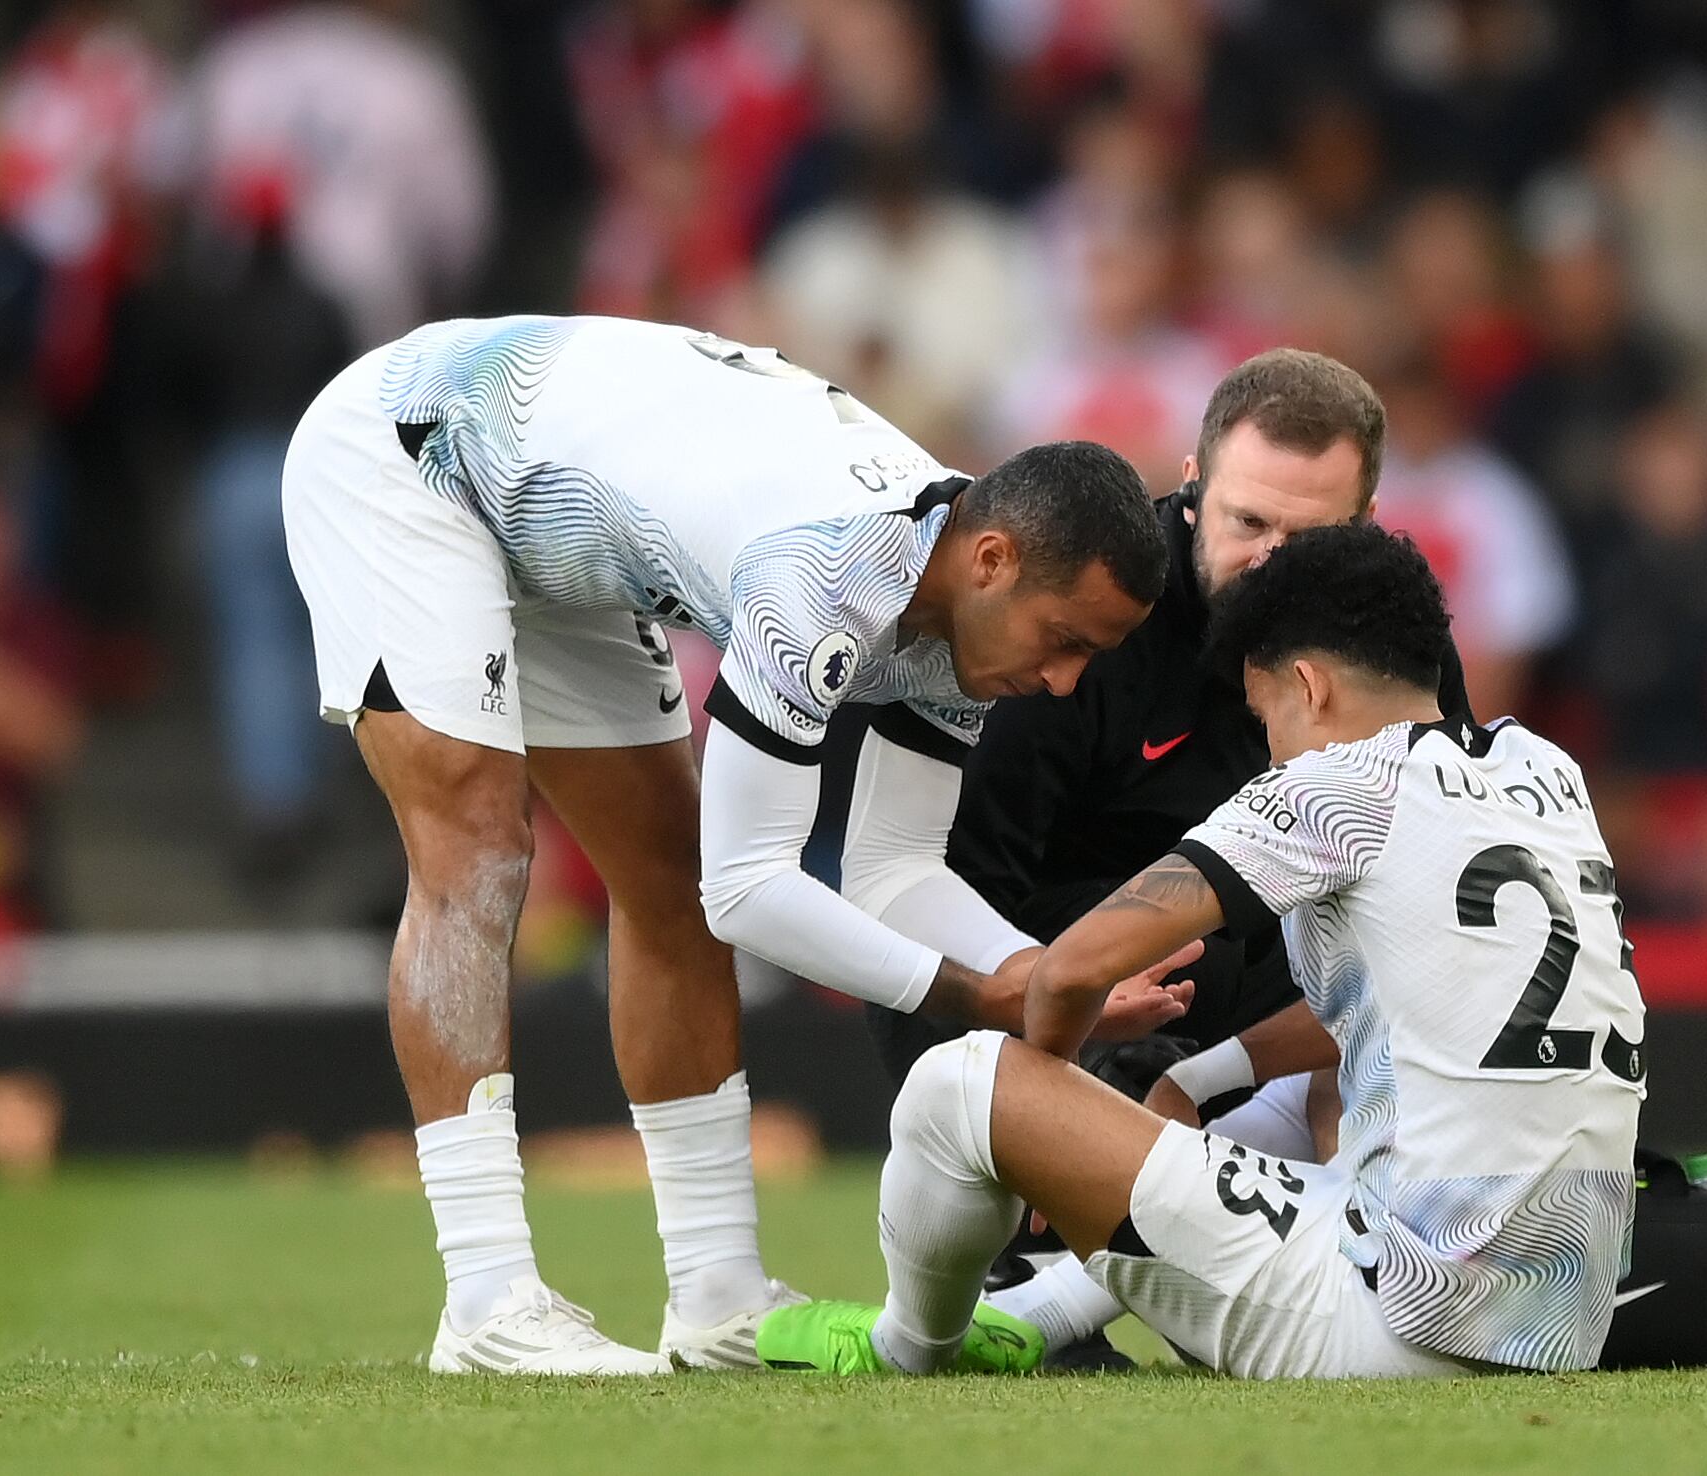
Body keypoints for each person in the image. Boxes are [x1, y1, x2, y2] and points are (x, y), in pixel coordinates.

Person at [283, 314, 1193, 1375]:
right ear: (993, 559)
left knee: (662, 874)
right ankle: (488, 1303)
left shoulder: (963, 598)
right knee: (481, 846)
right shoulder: (824, 570)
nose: (1066, 684)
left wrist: (1041, 971)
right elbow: (751, 891)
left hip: (555, 521)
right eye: (1065, 643)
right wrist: (981, 993)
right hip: (412, 451)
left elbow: (893, 870)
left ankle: (718, 1297)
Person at [754, 523, 1646, 1379]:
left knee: (962, 1081)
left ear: (1309, 686)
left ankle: (907, 1347)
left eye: (1265, 716)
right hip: (1559, 1320)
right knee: (1307, 1094)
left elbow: (1070, 967)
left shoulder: (1333, 788)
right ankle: (1033, 1315)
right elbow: (1435, 1011)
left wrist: (1041, 1113)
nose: (1270, 747)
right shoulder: (1543, 769)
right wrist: (1201, 1076)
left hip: (1403, 1320)